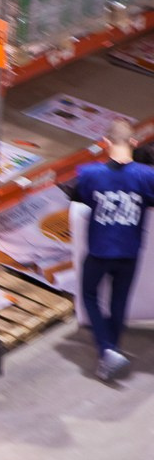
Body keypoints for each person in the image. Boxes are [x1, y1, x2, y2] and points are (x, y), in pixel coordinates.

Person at [73, 117, 154, 381]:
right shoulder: (147, 176)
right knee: (119, 301)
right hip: (130, 251)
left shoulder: (89, 174)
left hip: (99, 250)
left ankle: (107, 350)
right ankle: (112, 353)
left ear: (104, 143)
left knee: (89, 295)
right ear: (133, 142)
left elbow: (80, 198)